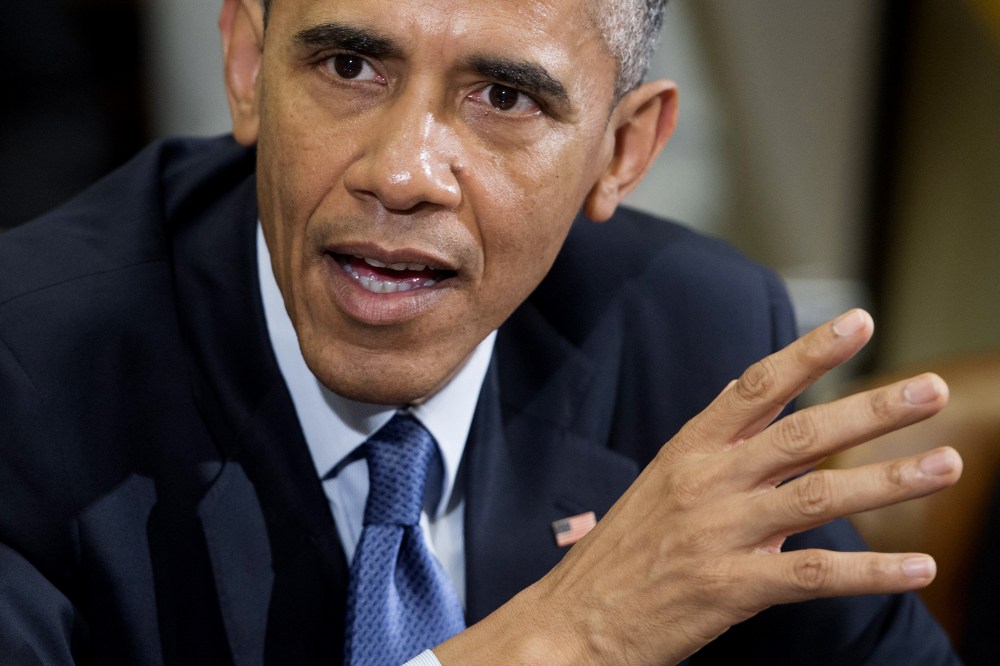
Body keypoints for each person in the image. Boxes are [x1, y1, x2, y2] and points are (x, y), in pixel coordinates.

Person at [0, 0, 963, 663]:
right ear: (248, 67)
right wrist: (567, 640)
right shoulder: (26, 380)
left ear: (621, 152)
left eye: (503, 97)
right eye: (349, 65)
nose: (403, 172)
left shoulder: (692, 341)